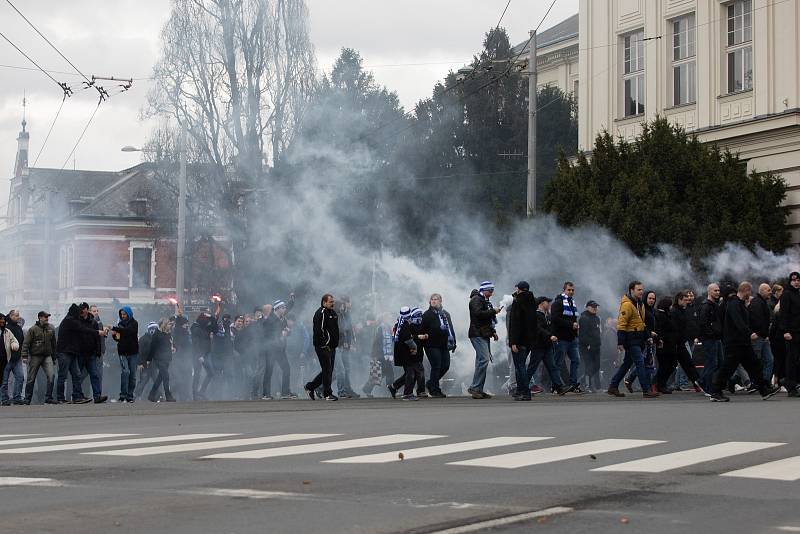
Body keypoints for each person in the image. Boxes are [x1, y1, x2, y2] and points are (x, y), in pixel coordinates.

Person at [709, 282, 779, 402]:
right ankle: (715, 391)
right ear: (746, 290)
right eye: (749, 292)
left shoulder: (738, 304)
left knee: (754, 365)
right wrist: (749, 333)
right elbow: (738, 322)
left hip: (742, 343)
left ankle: (764, 389)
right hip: (734, 343)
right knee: (728, 368)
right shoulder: (734, 304)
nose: (750, 294)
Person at [607, 281, 658, 398]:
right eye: (639, 290)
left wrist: (647, 337)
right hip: (631, 340)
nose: (641, 292)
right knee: (640, 362)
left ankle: (613, 386)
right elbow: (621, 324)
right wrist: (620, 342)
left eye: (642, 290)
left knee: (627, 364)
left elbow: (641, 323)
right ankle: (646, 390)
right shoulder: (627, 305)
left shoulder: (640, 304)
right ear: (632, 290)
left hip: (638, 339)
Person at [56, 303, 106, 404]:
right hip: (65, 352)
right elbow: (83, 329)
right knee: (63, 375)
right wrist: (98, 332)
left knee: (77, 374)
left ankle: (77, 396)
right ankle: (61, 398)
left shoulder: (72, 320)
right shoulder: (70, 321)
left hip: (73, 352)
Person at [653, 293, 703, 394]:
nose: (686, 301)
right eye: (684, 299)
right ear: (679, 300)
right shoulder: (673, 312)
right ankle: (657, 384)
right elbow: (671, 330)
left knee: (686, 363)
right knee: (669, 365)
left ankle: (698, 383)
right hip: (673, 344)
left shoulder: (680, 311)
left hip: (679, 342)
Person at [467, 281, 502, 399]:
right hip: (477, 333)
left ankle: (478, 389)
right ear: (484, 290)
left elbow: (485, 320)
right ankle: (475, 387)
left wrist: (493, 332)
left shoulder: (483, 300)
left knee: (481, 361)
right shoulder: (477, 300)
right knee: (484, 360)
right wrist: (493, 311)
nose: (491, 293)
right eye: (490, 291)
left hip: (482, 333)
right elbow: (478, 314)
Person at [528, 297, 569, 395]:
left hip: (547, 346)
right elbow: (539, 329)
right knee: (532, 367)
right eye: (547, 302)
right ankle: (523, 387)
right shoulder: (536, 315)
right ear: (541, 304)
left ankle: (559, 387)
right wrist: (550, 335)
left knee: (552, 367)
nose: (549, 304)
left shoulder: (546, 315)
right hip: (538, 346)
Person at [305, 294, 339, 401]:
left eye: (333, 301)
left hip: (332, 347)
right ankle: (327, 394)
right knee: (327, 369)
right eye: (330, 302)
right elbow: (319, 330)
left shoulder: (333, 313)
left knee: (328, 370)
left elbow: (335, 330)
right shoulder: (321, 313)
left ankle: (310, 387)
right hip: (322, 346)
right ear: (324, 303)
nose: (332, 303)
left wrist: (335, 343)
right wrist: (325, 344)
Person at [551, 282, 583, 393]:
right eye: (569, 290)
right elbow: (554, 319)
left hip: (572, 338)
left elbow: (573, 320)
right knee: (558, 363)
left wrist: (575, 331)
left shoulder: (571, 303)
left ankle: (573, 384)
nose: (571, 292)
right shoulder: (558, 303)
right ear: (564, 290)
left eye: (572, 290)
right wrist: (571, 325)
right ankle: (555, 386)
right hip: (561, 338)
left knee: (576, 361)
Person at [421, 293, 456, 398]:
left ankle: (431, 383)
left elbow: (451, 329)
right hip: (431, 344)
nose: (433, 301)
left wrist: (454, 342)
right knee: (436, 366)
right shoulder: (427, 315)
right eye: (432, 299)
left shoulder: (445, 314)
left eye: (436, 299)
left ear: (440, 301)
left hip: (444, 344)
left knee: (446, 366)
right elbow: (422, 330)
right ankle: (435, 390)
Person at [508, 281, 537, 401]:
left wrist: (513, 341)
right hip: (529, 340)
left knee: (520, 367)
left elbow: (515, 323)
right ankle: (520, 390)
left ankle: (525, 391)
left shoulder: (517, 302)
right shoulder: (532, 302)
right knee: (521, 366)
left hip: (519, 340)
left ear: (519, 289)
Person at [22, 311, 57, 405]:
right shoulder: (33, 329)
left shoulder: (50, 329)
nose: (47, 318)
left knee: (51, 375)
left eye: (47, 317)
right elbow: (26, 343)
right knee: (31, 378)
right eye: (45, 317)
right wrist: (24, 356)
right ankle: (27, 398)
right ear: (40, 318)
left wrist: (54, 357)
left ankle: (49, 397)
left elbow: (54, 344)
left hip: (47, 356)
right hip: (35, 356)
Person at [391, 307, 424, 401]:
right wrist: (414, 348)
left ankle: (394, 387)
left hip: (400, 352)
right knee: (410, 373)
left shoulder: (399, 323)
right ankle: (407, 394)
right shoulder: (404, 324)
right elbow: (408, 339)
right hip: (404, 353)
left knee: (408, 373)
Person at [143, 318, 176, 402]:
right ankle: (168, 395)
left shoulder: (168, 334)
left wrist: (174, 348)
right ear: (163, 325)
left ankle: (151, 394)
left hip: (167, 358)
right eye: (168, 324)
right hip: (159, 358)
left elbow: (171, 344)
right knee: (166, 376)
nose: (170, 326)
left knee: (159, 378)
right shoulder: (156, 334)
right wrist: (148, 359)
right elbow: (152, 347)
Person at [111, 306, 139, 403]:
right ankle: (123, 395)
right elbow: (118, 339)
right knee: (125, 372)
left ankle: (130, 396)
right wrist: (114, 335)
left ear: (129, 314)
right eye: (121, 314)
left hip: (133, 353)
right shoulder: (120, 325)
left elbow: (128, 332)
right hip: (122, 352)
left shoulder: (134, 324)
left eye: (124, 314)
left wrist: (115, 328)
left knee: (133, 375)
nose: (123, 316)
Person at [698, 283, 723, 392]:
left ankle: (704, 382)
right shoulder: (706, 306)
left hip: (715, 338)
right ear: (709, 291)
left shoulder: (714, 305)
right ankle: (706, 386)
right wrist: (711, 334)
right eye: (715, 291)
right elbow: (703, 324)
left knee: (717, 363)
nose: (717, 292)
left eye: (718, 290)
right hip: (710, 339)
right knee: (712, 363)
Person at [779, 271, 800, 397]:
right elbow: (783, 314)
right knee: (791, 359)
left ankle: (794, 382)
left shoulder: (798, 294)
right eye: (794, 280)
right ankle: (791, 387)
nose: (796, 282)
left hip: (798, 330)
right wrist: (785, 330)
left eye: (798, 280)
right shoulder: (787, 294)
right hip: (791, 332)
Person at [334, 296, 360, 399]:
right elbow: (343, 330)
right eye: (347, 303)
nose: (350, 305)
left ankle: (347, 389)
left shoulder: (344, 314)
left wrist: (350, 343)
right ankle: (341, 390)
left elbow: (348, 330)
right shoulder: (339, 314)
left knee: (345, 369)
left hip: (345, 345)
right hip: (339, 346)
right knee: (340, 370)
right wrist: (345, 342)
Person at [750, 283, 774, 384]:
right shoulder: (757, 303)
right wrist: (759, 333)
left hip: (762, 336)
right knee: (757, 360)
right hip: (758, 337)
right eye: (768, 290)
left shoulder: (761, 302)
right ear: (762, 290)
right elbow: (757, 320)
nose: (770, 292)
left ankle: (764, 382)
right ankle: (757, 382)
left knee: (769, 360)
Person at [1, 309, 25, 405]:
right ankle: (4, 399)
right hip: (6, 358)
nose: (17, 317)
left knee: (20, 377)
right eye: (15, 315)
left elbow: (22, 341)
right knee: (4, 381)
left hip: (16, 358)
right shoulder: (6, 328)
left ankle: (17, 397)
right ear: (10, 316)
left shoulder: (19, 328)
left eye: (18, 315)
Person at [578, 300, 602, 393]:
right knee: (589, 366)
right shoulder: (584, 318)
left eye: (596, 306)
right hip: (587, 346)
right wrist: (587, 344)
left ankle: (583, 381)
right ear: (587, 307)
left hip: (596, 345)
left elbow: (597, 332)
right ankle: (588, 385)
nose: (595, 308)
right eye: (592, 306)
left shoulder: (597, 318)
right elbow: (582, 334)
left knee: (597, 365)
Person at [190, 312, 213, 400]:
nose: (208, 323)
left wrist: (211, 317)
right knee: (197, 374)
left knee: (209, 373)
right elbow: (195, 343)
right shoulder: (196, 329)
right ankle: (195, 395)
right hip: (198, 355)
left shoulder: (202, 328)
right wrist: (199, 355)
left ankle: (200, 392)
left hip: (204, 354)